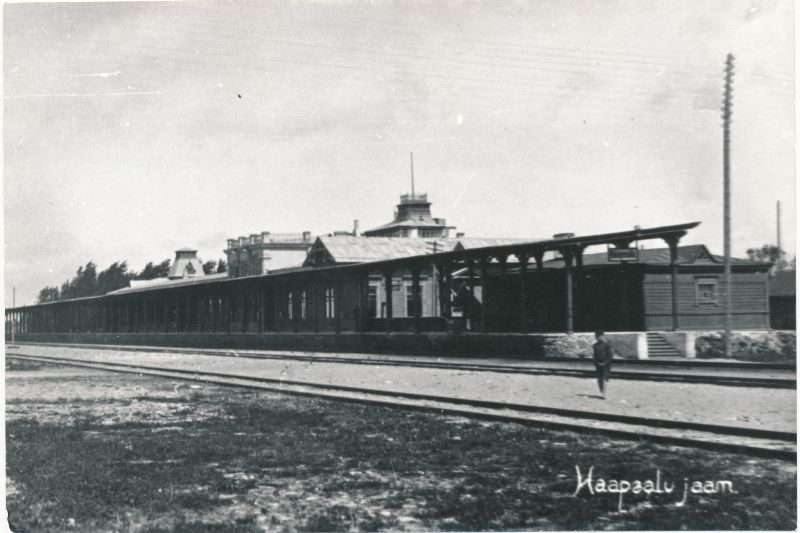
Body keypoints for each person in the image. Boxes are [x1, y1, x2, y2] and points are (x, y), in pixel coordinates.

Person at [592, 330, 614, 398]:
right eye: (597, 336)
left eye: (599, 336)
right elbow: (594, 355)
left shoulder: (607, 344)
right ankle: (602, 392)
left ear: (602, 336)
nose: (598, 338)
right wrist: (595, 362)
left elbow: (610, 354)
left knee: (604, 378)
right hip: (598, 364)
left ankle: (603, 394)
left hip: (606, 364)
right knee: (599, 379)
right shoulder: (595, 345)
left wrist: (605, 362)